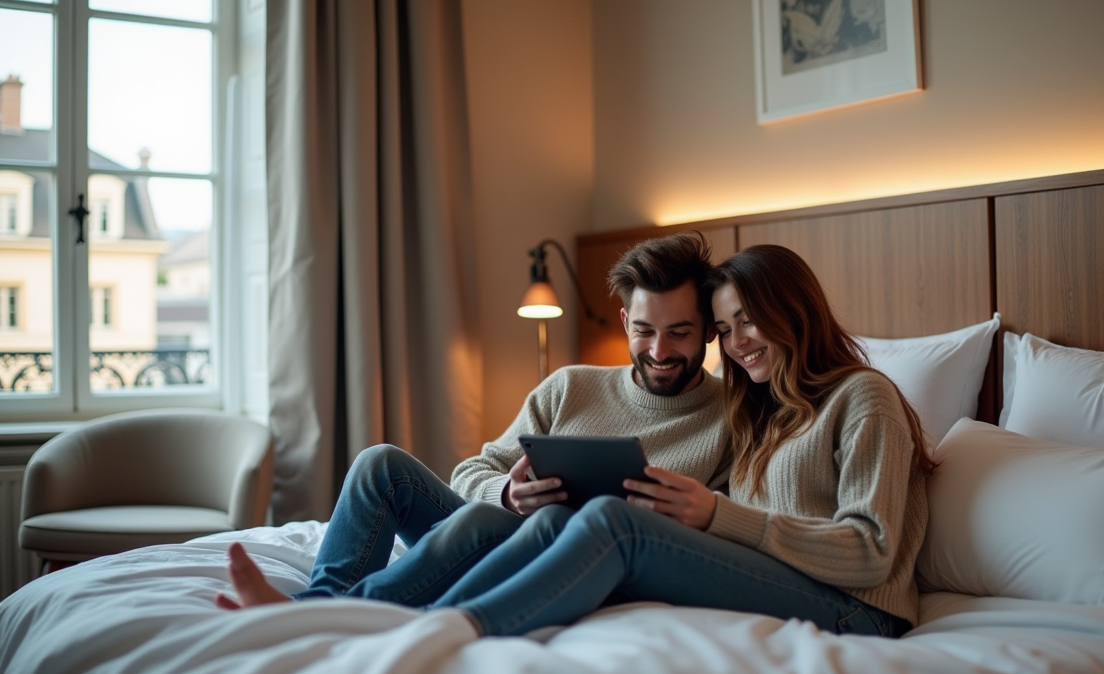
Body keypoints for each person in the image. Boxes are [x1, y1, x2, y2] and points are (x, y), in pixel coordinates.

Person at [216, 232, 733, 610]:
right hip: (502, 532)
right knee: (381, 465)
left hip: (586, 564)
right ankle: (324, 599)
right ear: (624, 321)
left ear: (710, 329)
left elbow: (728, 534)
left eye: (679, 333)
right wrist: (507, 495)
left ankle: (314, 618)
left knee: (485, 523)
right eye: (644, 330)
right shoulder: (570, 386)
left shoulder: (733, 418)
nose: (659, 350)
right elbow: (473, 471)